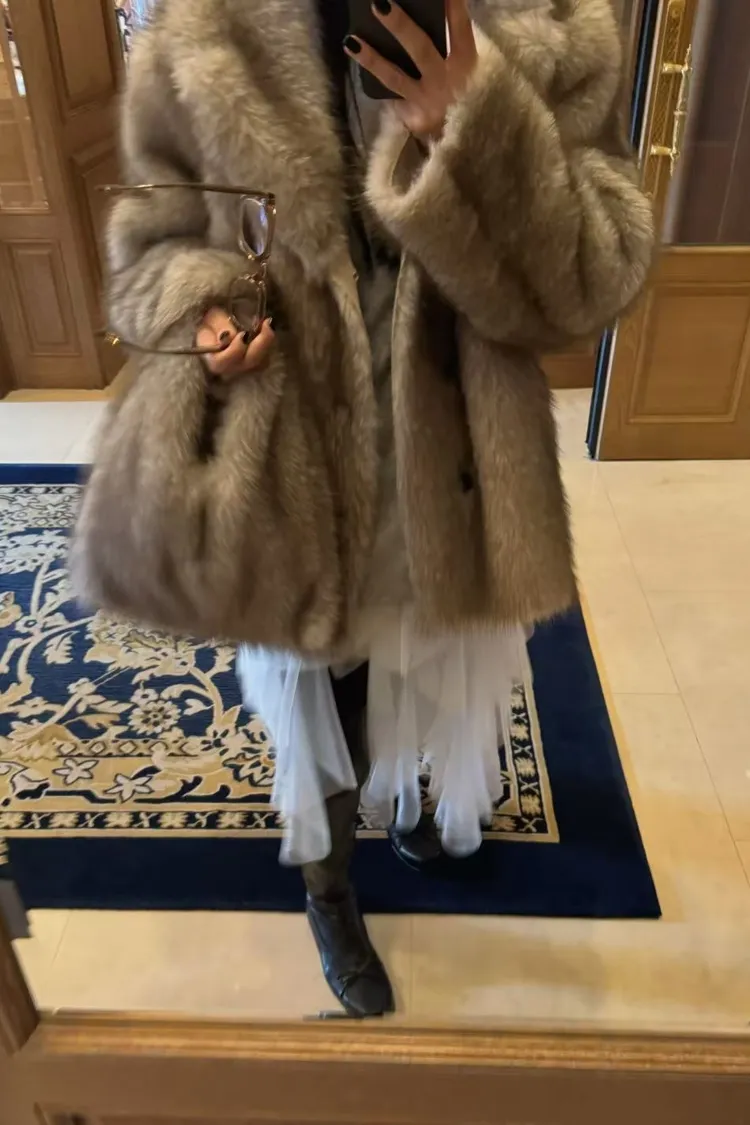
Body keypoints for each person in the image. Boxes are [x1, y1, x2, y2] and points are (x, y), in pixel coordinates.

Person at [101, 0, 653, 1017]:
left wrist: (479, 124)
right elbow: (149, 246)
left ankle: (411, 804)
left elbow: (594, 280)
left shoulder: (550, 23)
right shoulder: (200, 31)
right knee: (325, 699)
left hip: (454, 447)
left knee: (432, 657)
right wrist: (202, 313)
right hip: (298, 454)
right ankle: (330, 888)